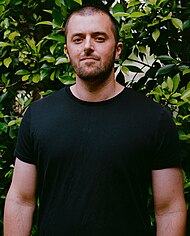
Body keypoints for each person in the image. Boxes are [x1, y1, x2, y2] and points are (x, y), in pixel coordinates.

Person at [4, 4, 187, 236]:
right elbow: (20, 201)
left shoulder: (154, 119)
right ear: (67, 50)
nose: (88, 46)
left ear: (118, 49)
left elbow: (169, 209)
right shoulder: (38, 116)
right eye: (78, 39)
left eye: (99, 38)